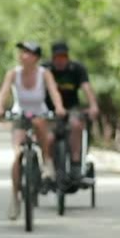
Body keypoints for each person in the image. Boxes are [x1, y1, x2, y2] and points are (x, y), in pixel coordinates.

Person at [0, 41, 67, 220]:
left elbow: (54, 92)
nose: (22, 55)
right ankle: (15, 197)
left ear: (35, 57)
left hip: (39, 113)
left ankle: (47, 162)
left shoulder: (44, 73)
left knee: (40, 124)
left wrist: (59, 107)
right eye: (22, 52)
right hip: (20, 115)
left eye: (27, 52)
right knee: (17, 154)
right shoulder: (13, 73)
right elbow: (3, 92)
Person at [42, 41, 100, 181]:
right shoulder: (45, 69)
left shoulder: (77, 69)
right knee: (48, 136)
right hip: (50, 109)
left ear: (67, 57)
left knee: (76, 125)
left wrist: (93, 105)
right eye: (57, 57)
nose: (60, 60)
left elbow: (86, 87)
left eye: (63, 57)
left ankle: (75, 163)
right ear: (52, 57)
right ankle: (47, 166)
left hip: (71, 108)